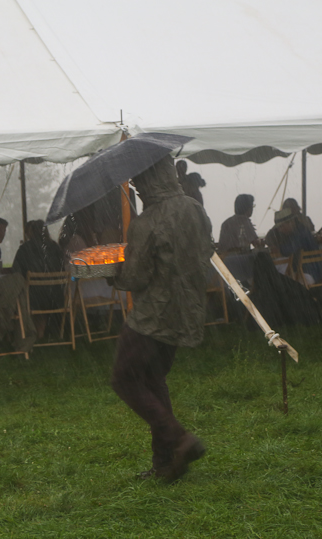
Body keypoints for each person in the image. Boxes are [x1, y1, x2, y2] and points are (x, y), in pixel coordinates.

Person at [111, 155, 213, 483]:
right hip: (185, 309)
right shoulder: (194, 208)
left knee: (124, 379)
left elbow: (136, 278)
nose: (138, 188)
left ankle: (180, 438)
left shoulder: (146, 221)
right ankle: (166, 463)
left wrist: (115, 273)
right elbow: (205, 251)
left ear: (150, 179)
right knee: (154, 380)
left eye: (140, 180)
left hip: (152, 314)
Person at [12, 220, 66, 338]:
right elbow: (64, 269)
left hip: (34, 299)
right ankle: (54, 333)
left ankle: (26, 334)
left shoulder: (25, 249)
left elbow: (15, 273)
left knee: (17, 295)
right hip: (57, 298)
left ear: (31, 232)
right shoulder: (55, 248)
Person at [265, 208, 322, 283]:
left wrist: (276, 249)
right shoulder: (300, 230)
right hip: (312, 272)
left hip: (306, 273)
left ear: (291, 222)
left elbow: (287, 250)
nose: (280, 230)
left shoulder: (299, 233)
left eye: (281, 226)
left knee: (273, 270)